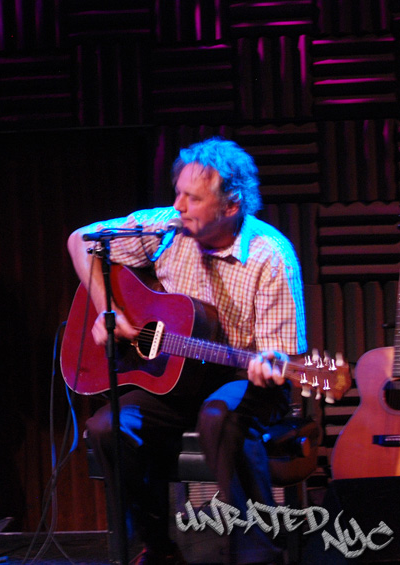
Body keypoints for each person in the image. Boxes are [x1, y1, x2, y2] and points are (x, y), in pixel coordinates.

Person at [67, 137, 307, 565]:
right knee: (108, 427)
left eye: (191, 198)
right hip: (175, 376)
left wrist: (268, 366)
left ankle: (255, 553)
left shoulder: (271, 255)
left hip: (240, 378)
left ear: (231, 206)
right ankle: (158, 548)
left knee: (220, 415)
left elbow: (281, 356)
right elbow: (80, 240)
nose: (177, 205)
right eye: (177, 192)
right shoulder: (164, 228)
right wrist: (107, 311)